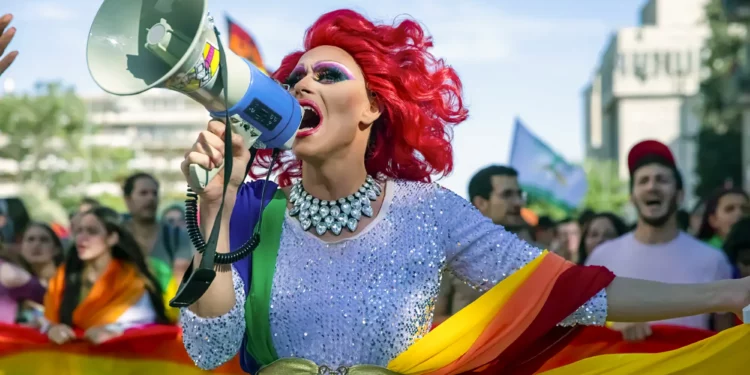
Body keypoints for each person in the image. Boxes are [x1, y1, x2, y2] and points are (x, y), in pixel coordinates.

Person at [179, 11, 750, 374]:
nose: (302, 83)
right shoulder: (249, 209)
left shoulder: (431, 213)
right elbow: (208, 353)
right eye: (293, 79)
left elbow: (575, 293)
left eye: (328, 75)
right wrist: (215, 211)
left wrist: (732, 294)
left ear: (375, 108)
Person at [586, 140, 735, 338]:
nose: (652, 187)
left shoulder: (713, 260)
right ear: (632, 197)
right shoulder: (601, 258)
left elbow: (725, 342)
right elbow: (581, 331)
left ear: (680, 195)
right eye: (643, 181)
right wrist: (611, 326)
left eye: (662, 180)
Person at [43, 207, 170, 345]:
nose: (82, 237)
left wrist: (115, 331)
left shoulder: (131, 281)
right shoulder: (63, 276)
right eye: (79, 231)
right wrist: (51, 329)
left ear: (112, 238)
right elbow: (46, 321)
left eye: (92, 231)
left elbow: (147, 326)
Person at [122, 173, 193, 288]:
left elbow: (182, 282)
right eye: (143, 193)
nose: (150, 198)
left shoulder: (175, 236)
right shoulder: (117, 235)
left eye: (154, 193)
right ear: (128, 199)